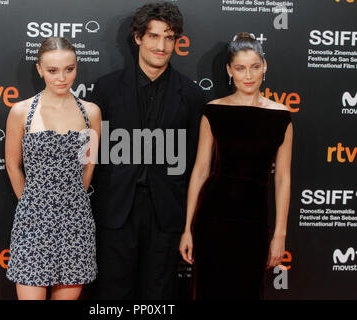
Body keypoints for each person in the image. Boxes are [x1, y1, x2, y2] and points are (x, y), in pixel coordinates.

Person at [88, 2, 204, 299]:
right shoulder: (106, 89)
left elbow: (193, 161)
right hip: (116, 211)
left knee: (159, 295)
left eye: (169, 37)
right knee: (112, 295)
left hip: (166, 214)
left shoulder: (191, 95)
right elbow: (91, 157)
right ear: (138, 37)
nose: (161, 46)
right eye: (153, 36)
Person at [179, 32, 293, 299]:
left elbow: (283, 179)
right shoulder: (214, 111)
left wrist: (280, 234)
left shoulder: (281, 117)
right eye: (240, 68)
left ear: (265, 66)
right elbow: (200, 171)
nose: (249, 75)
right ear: (230, 70)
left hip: (254, 221)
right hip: (213, 218)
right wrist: (188, 228)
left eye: (255, 67)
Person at [4, 37, 101, 300]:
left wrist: (73, 199)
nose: (62, 78)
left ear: (76, 67)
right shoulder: (21, 111)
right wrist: (31, 203)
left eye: (69, 69)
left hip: (75, 222)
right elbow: (13, 165)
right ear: (39, 70)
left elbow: (89, 164)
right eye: (52, 71)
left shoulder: (90, 112)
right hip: (32, 222)